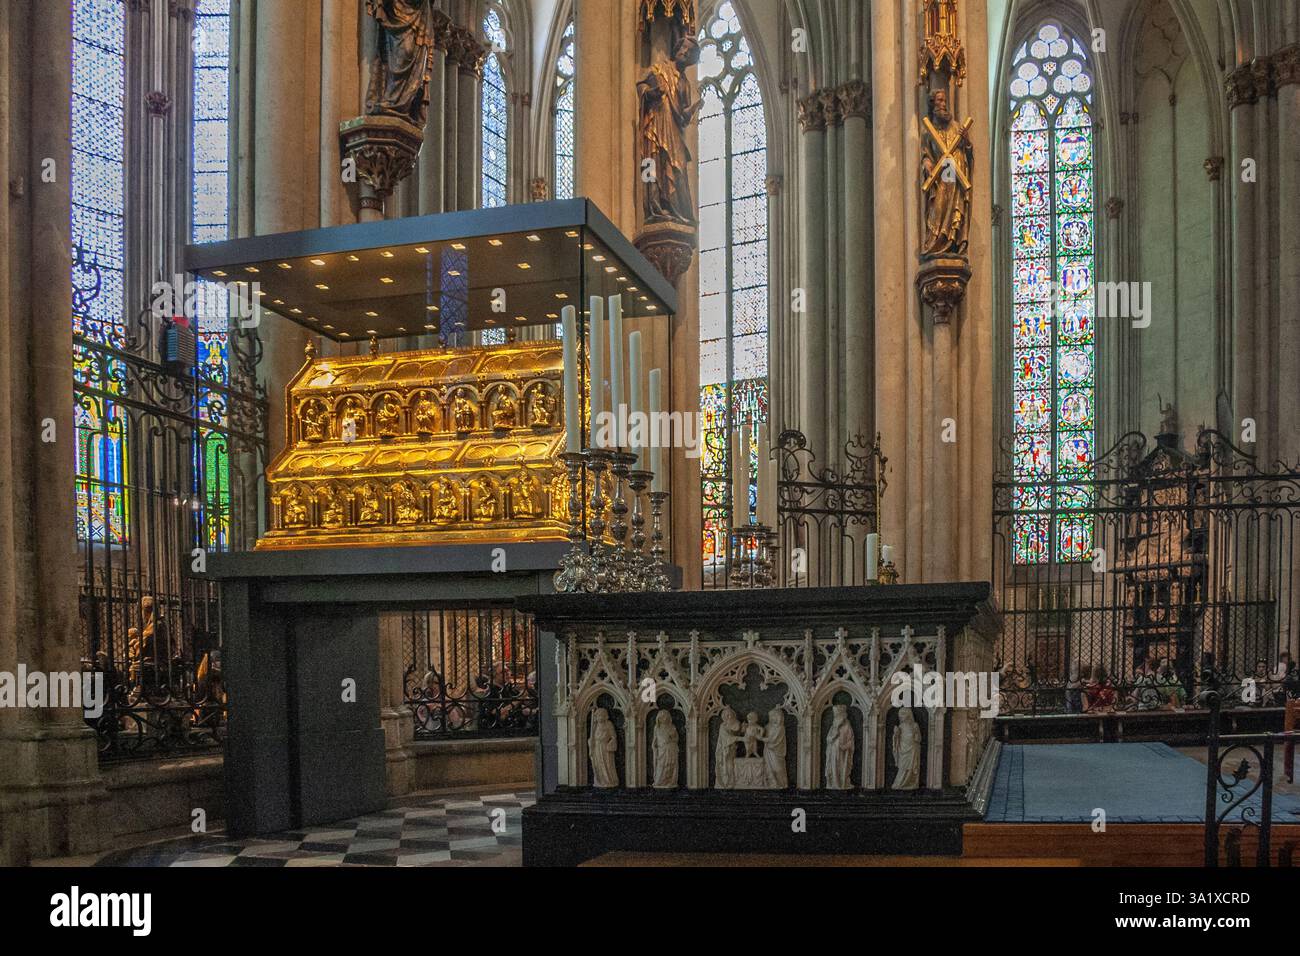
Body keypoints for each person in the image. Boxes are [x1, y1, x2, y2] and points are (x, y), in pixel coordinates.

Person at [761, 707, 788, 788]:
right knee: (769, 769)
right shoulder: (768, 726)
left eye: (773, 716)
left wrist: (760, 738)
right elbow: (762, 731)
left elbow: (772, 740)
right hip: (768, 751)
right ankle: (773, 784)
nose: (771, 718)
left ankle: (782, 783)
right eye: (770, 716)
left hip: (776, 751)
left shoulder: (780, 728)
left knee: (778, 769)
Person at [651, 709, 678, 789]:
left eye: (665, 716)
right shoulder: (657, 727)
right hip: (661, 750)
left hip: (671, 748)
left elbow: (676, 738)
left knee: (670, 765)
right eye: (662, 717)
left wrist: (671, 738)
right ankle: (659, 781)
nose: (664, 718)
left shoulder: (672, 727)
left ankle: (670, 781)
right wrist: (653, 746)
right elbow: (655, 739)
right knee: (661, 766)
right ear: (658, 718)